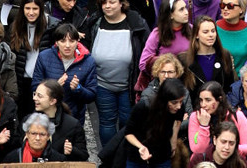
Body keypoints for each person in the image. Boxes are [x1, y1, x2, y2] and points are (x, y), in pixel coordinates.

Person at [89, 0, 150, 147]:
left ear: (122, 3)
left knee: (127, 122)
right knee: (106, 123)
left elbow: (147, 49)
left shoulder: (136, 23)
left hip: (129, 85)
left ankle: (123, 160)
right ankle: (108, 159)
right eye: (104, 3)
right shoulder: (95, 23)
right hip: (102, 84)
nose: (107, 6)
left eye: (112, 2)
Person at [31, 24, 98, 123]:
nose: (67, 45)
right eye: (62, 41)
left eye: (71, 41)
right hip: (46, 115)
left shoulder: (88, 61)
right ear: (56, 42)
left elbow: (91, 95)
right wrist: (55, 86)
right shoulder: (44, 57)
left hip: (74, 117)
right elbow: (35, 87)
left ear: (77, 42)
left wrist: (78, 89)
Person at [188, 81, 247, 157]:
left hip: (230, 163)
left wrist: (228, 148)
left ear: (219, 99)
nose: (203, 104)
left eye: (208, 100)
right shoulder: (195, 116)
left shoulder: (236, 115)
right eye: (201, 100)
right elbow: (198, 150)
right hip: (204, 164)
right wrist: (204, 126)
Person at [6, 0, 49, 119]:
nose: (31, 12)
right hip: (21, 79)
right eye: (27, 8)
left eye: (35, 9)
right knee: (22, 117)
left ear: (40, 10)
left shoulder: (49, 27)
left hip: (41, 79)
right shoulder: (15, 27)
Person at [136, 0, 192, 91]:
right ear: (170, 15)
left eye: (186, 8)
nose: (186, 12)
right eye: (181, 9)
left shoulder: (192, 30)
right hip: (164, 88)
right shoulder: (157, 34)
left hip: (188, 85)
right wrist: (169, 65)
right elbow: (143, 64)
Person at [180, 17, 238, 101]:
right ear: (196, 35)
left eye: (213, 31)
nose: (211, 35)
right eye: (205, 32)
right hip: (195, 110)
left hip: (220, 108)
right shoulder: (184, 59)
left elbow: (230, 86)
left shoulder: (224, 55)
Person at [32, 79, 89, 162]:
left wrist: (71, 150)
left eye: (39, 96)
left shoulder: (72, 125)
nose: (34, 98)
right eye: (34, 94)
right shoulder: (29, 121)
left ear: (52, 101)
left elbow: (83, 155)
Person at [216, 0, 247, 76]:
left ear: (241, 9)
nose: (225, 8)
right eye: (222, 5)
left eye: (230, 6)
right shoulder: (213, 28)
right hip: (217, 80)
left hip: (241, 82)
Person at [2, 113, 69, 164]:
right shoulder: (12, 158)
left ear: (48, 136)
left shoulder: (59, 160)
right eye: (33, 133)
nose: (37, 138)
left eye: (42, 134)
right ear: (27, 134)